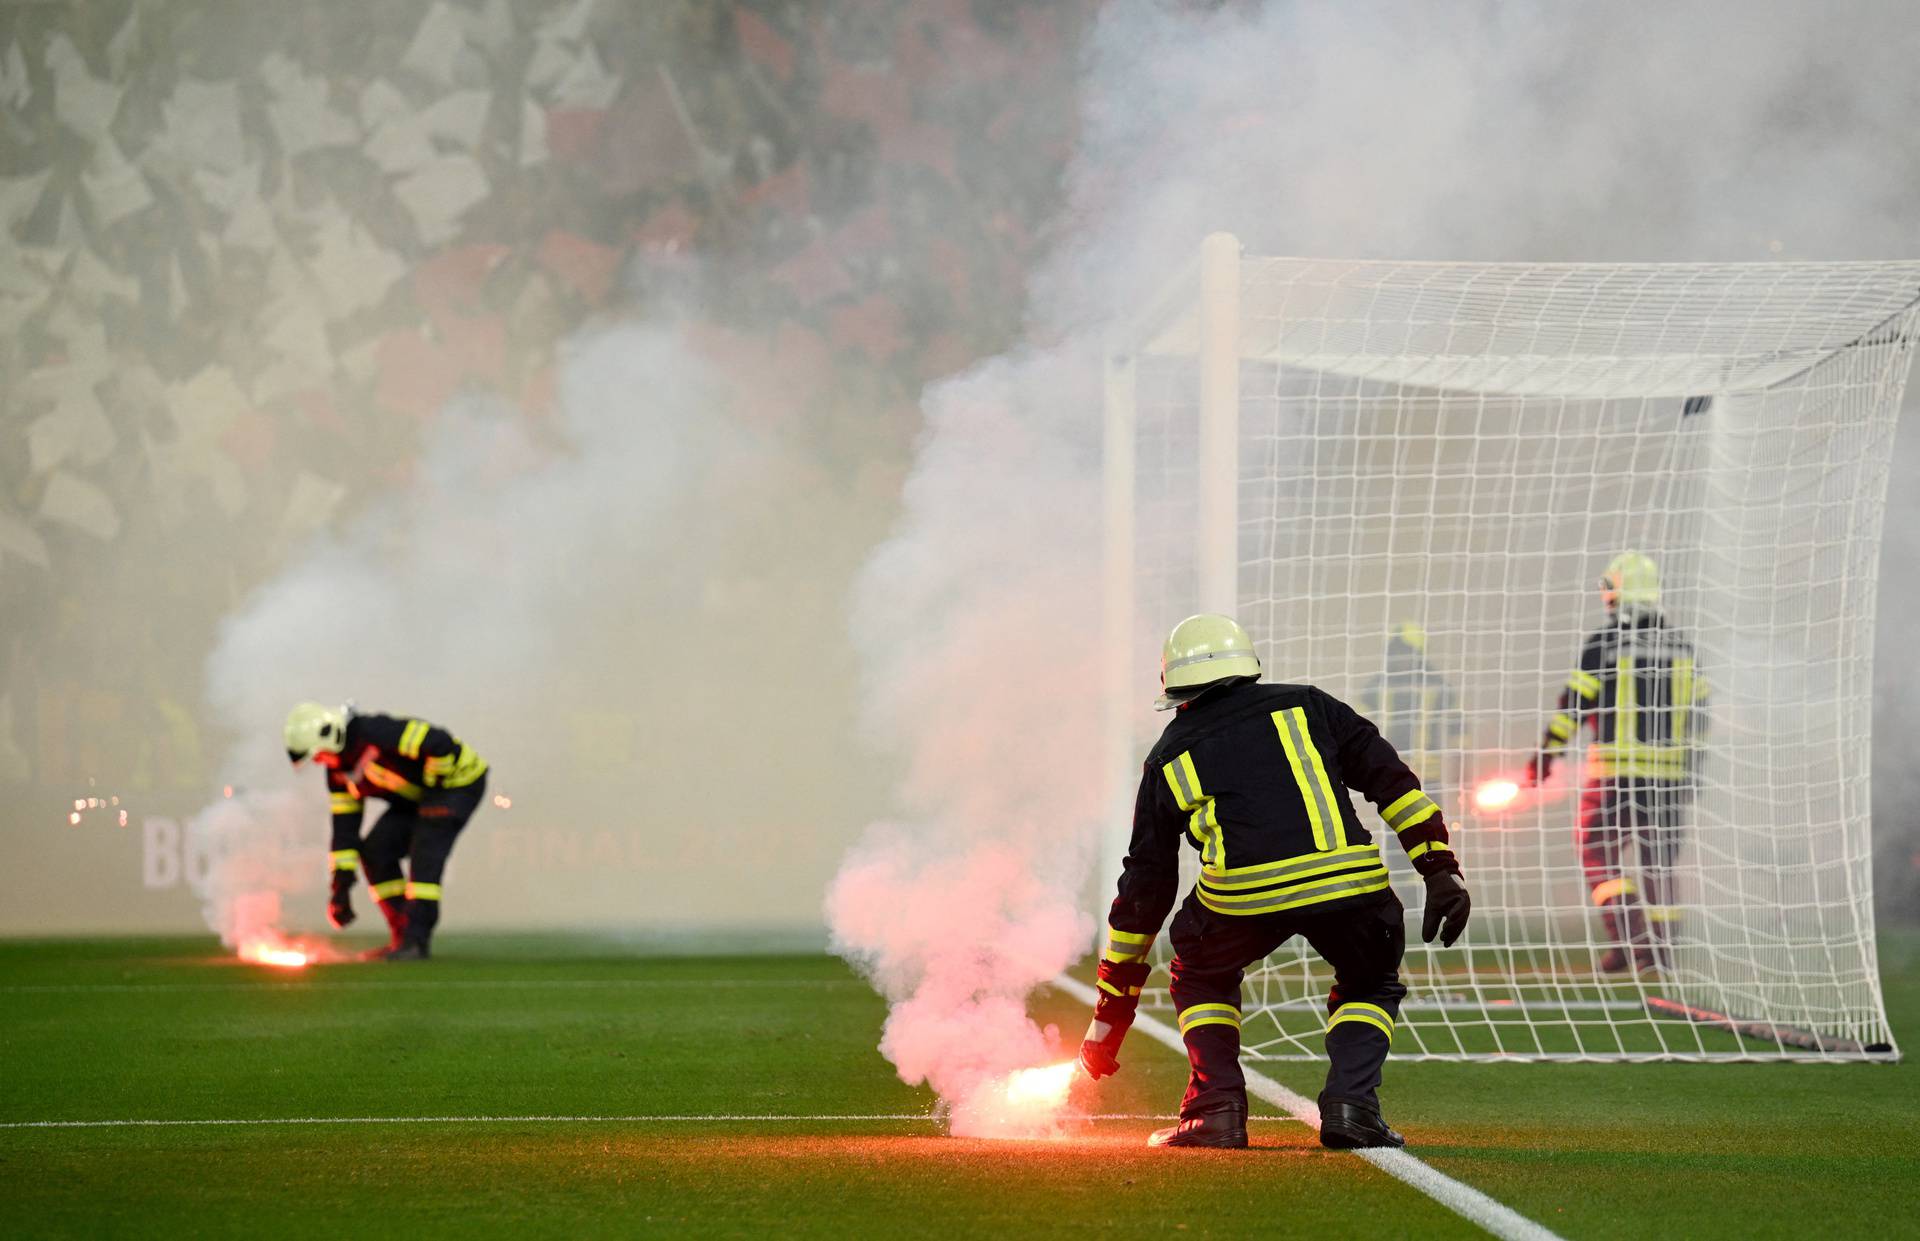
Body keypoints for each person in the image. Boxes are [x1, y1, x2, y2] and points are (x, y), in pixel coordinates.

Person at [1079, 614, 1471, 1150]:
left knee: (1200, 972)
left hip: (1241, 898)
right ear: (1248, 667)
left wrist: (1113, 1003)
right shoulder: (1311, 705)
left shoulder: (1166, 757)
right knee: (1370, 979)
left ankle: (1214, 1110)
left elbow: (1146, 888)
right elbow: (1393, 783)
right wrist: (1439, 868)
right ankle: (1352, 1107)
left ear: (1176, 690)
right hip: (1349, 886)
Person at [1525, 552, 1706, 974]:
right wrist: (1692, 770)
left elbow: (1572, 706)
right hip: (1668, 781)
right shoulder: (1682, 646)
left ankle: (1632, 939)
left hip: (1615, 777)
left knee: (1596, 851)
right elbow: (1701, 714)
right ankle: (1663, 951)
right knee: (1659, 862)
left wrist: (1546, 756)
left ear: (1616, 590)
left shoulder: (1604, 645)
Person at [284, 702, 490, 960]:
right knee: (375, 852)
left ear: (331, 735)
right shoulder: (338, 772)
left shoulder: (377, 732)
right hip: (418, 798)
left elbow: (440, 744)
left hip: (457, 785)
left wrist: (433, 790)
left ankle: (415, 943)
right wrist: (341, 888)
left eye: (317, 755)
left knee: (425, 854)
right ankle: (403, 937)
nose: (318, 761)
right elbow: (345, 829)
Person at [1353, 620, 1467, 822]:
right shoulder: (1376, 687)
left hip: (1429, 776)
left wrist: (1460, 770)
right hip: (1391, 774)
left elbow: (1458, 728)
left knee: (1429, 830)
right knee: (1395, 832)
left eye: (1405, 652)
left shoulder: (1438, 686)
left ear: (1419, 653)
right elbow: (1356, 728)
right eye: (1395, 653)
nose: (1400, 659)